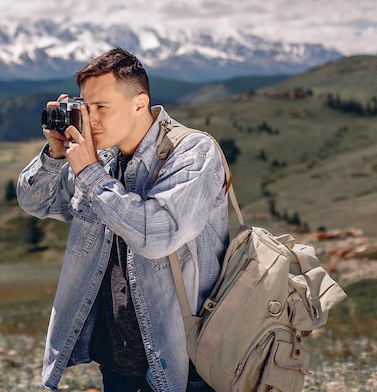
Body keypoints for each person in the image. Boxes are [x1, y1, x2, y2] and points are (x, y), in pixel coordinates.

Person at [17, 47, 229, 392]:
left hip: (183, 359)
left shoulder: (193, 153)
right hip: (117, 355)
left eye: (102, 107)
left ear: (139, 103)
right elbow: (36, 203)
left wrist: (90, 171)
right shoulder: (101, 155)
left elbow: (155, 236)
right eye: (87, 108)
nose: (92, 119)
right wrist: (56, 154)